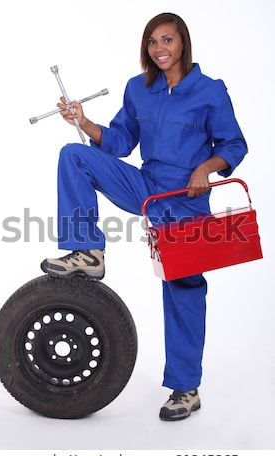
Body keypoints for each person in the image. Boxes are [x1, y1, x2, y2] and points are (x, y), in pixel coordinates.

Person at [41, 12, 247, 421]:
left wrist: (206, 168)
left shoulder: (209, 91)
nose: (159, 49)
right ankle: (87, 250)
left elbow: (234, 144)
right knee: (75, 156)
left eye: (167, 40)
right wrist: (83, 122)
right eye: (152, 42)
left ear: (183, 43)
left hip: (186, 200)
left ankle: (186, 389)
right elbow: (117, 142)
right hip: (146, 186)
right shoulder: (139, 89)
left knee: (184, 289)